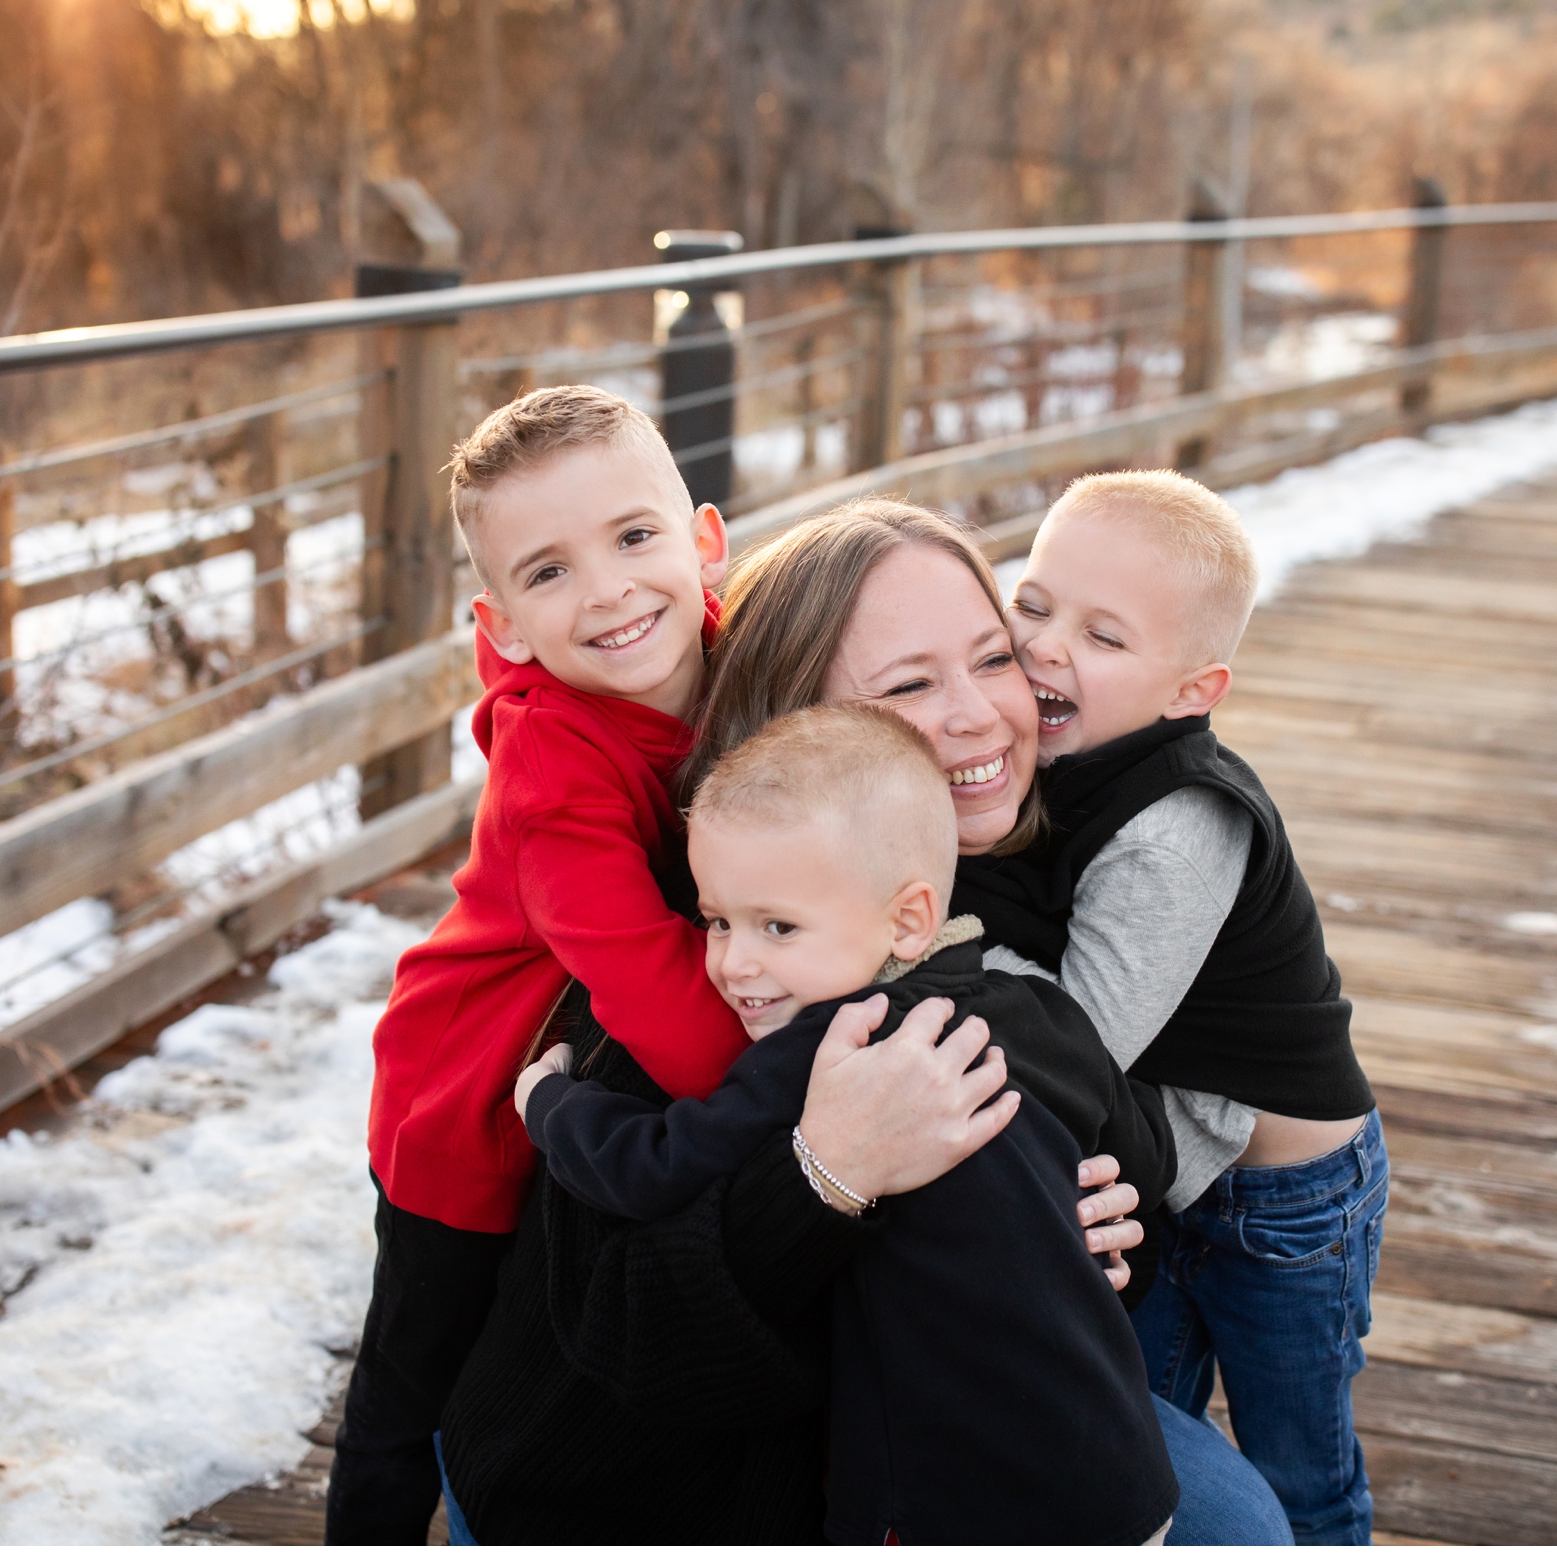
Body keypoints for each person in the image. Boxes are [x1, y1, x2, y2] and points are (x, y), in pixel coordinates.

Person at [437, 496, 1291, 1545]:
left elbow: (1097, 1171)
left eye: (991, 658)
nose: (981, 714)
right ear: (797, 723)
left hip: (904, 1422)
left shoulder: (1004, 885)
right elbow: (644, 1339)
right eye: (909, 686)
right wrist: (825, 1173)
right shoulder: (707, 950)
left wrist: (1078, 1234)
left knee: (1232, 1524)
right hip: (642, 1476)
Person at [517, 703, 1178, 1544]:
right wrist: (1103, 1198)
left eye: (777, 926)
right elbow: (1145, 1149)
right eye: (718, 921)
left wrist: (551, 1102)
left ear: (908, 918)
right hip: (1120, 1477)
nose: (733, 962)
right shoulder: (1036, 1009)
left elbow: (661, 1167)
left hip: (956, 1504)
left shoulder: (840, 1041)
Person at [326, 385, 755, 1542]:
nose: (609, 590)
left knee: (536, 1344)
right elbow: (660, 1002)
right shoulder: (554, 768)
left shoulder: (742, 664)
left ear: (703, 541)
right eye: (549, 571)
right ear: (504, 620)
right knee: (410, 1384)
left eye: (632, 537)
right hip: (467, 1104)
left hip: (570, 1088)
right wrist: (811, 1095)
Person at [951, 469, 1385, 1545]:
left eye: (1104, 637)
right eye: (1036, 604)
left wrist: (947, 940)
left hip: (1287, 1204)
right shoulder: (1053, 756)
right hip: (1163, 1167)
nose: (1047, 648)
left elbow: (1081, 1038)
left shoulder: (1181, 822)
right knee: (1137, 1430)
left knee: (1299, 1461)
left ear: (1194, 689)